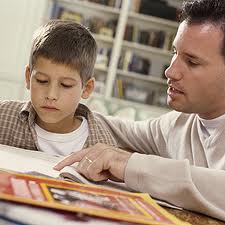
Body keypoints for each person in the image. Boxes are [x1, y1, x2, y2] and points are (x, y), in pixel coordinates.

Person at [54, 0, 225, 221]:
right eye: (175, 52)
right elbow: (117, 129)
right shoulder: (180, 123)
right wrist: (54, 105)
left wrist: (131, 165)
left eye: (191, 62)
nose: (170, 71)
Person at [0, 20, 118, 155]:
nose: (51, 95)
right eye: (42, 81)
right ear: (28, 78)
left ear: (86, 88)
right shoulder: (3, 116)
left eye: (65, 85)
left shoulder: (103, 146)